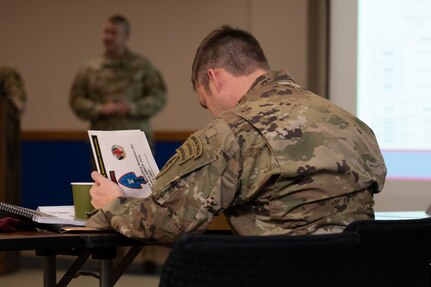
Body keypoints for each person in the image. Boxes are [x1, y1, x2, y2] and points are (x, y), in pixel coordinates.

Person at [86, 26, 387, 246]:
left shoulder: (231, 131)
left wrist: (114, 203)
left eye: (206, 102)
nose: (212, 114)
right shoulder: (354, 124)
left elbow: (167, 223)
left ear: (213, 78)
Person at [70, 15, 166, 149]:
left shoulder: (142, 66)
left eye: (114, 33)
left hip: (136, 140)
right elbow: (76, 100)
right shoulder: (90, 68)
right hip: (103, 140)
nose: (108, 37)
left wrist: (132, 108)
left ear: (126, 36)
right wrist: (99, 109)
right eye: (106, 32)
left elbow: (159, 97)